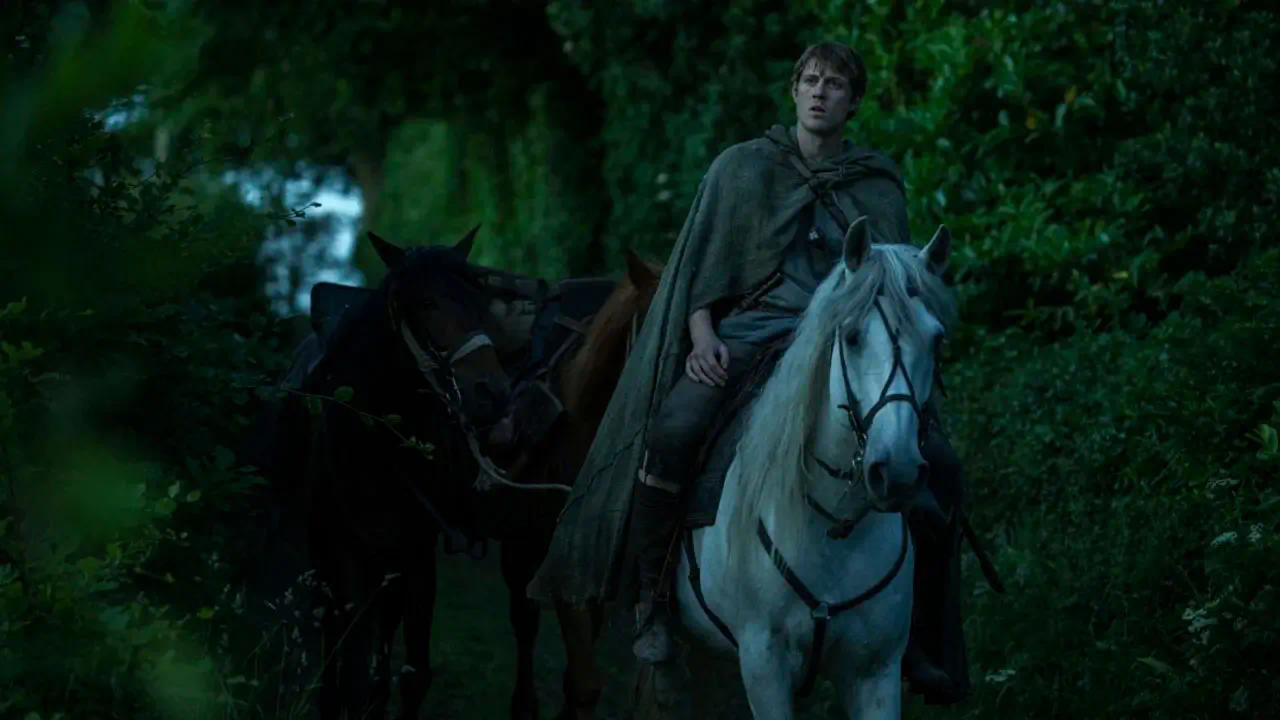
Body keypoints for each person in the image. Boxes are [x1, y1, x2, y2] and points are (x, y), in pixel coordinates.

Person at [528, 41, 970, 704]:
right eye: (810, 80)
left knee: (940, 465)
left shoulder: (876, 183)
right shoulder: (741, 169)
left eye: (835, 84)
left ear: (853, 101)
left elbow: (896, 294)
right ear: (794, 90)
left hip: (847, 346)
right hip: (751, 333)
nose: (820, 92)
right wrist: (703, 336)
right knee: (674, 432)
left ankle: (922, 640)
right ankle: (652, 604)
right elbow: (699, 269)